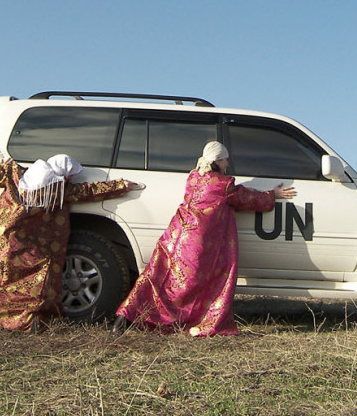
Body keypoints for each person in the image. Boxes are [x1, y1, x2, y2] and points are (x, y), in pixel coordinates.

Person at [0, 154, 138, 333]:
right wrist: (122, 185)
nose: (71, 178)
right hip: (23, 249)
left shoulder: (18, 177)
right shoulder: (57, 190)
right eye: (70, 175)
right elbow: (89, 191)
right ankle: (23, 322)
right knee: (28, 288)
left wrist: (5, 165)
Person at [114, 140, 296, 337]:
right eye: (226, 160)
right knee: (192, 285)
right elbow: (248, 198)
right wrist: (273, 194)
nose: (228, 164)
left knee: (156, 278)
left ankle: (124, 317)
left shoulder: (193, 177)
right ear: (217, 161)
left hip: (174, 239)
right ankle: (179, 320)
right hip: (196, 245)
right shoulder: (224, 185)